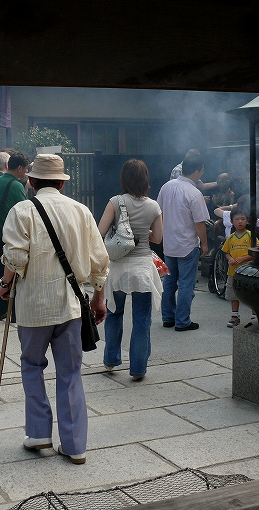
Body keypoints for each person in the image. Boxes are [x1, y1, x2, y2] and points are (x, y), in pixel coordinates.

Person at [0, 154, 109, 464]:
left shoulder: (21, 211)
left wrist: (5, 285)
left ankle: (38, 433)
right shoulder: (81, 211)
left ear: (31, 182)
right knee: (71, 373)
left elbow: (15, 259)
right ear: (61, 182)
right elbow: (100, 262)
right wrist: (98, 300)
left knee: (32, 365)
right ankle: (75, 445)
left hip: (33, 307)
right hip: (71, 306)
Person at [97, 159, 163, 381]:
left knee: (114, 314)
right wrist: (142, 234)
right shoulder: (154, 206)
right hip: (142, 268)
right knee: (142, 320)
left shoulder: (115, 202)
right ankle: (137, 369)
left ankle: (111, 360)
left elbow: (100, 231)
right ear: (145, 179)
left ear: (124, 178)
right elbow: (158, 238)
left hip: (118, 268)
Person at [157, 151, 210, 331]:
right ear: (196, 171)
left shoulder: (166, 187)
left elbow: (160, 212)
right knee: (187, 284)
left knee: (169, 283)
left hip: (170, 243)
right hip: (187, 245)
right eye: (201, 171)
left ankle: (168, 318)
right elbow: (199, 222)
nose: (201, 174)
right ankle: (182, 321)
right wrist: (204, 243)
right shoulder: (194, 193)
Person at [0, 150, 30, 319]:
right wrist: (27, 188)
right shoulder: (16, 185)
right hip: (11, 234)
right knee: (13, 272)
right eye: (26, 169)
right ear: (19, 168)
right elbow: (24, 208)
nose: (27, 172)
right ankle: (13, 312)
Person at [222, 206, 259, 327]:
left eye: (243, 219)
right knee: (233, 294)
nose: (240, 221)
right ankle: (234, 315)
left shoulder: (250, 235)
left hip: (249, 272)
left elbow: (256, 251)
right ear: (232, 221)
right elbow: (226, 252)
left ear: (247, 221)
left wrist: (244, 258)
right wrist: (230, 259)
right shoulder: (231, 237)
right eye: (237, 219)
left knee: (251, 293)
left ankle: (255, 315)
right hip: (233, 272)